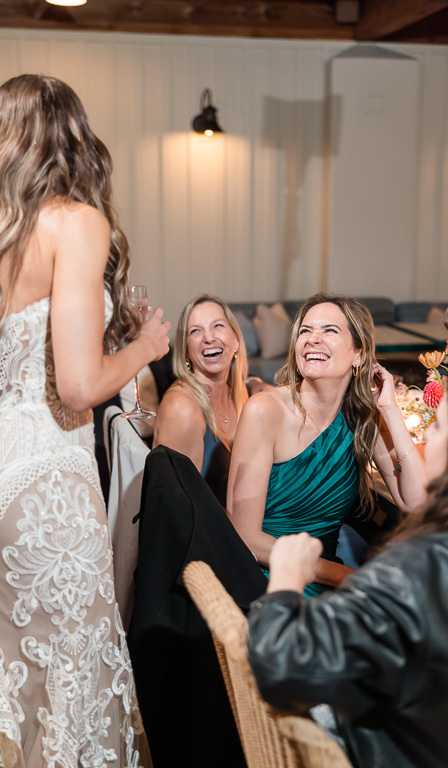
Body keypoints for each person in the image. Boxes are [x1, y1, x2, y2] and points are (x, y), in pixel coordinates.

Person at [0, 74, 170, 767]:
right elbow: (77, 387)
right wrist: (144, 347)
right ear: (75, 136)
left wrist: (106, 328)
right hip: (40, 477)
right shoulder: (77, 221)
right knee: (65, 674)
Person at [247, 389, 448, 768]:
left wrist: (290, 579)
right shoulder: (267, 409)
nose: (429, 437)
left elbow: (281, 667)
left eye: (436, 426)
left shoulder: (412, 570)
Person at [227, 293, 426, 596]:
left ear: (358, 354)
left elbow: (415, 501)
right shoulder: (263, 410)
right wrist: (347, 576)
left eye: (329, 330)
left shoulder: (362, 417)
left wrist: (390, 410)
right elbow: (244, 536)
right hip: (267, 578)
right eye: (305, 331)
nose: (312, 339)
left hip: (326, 577)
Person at [152, 294, 250, 507]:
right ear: (186, 350)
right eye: (195, 331)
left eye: (218, 326)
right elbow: (175, 510)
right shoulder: (182, 408)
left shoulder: (243, 394)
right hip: (210, 537)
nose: (209, 338)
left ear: (236, 341)